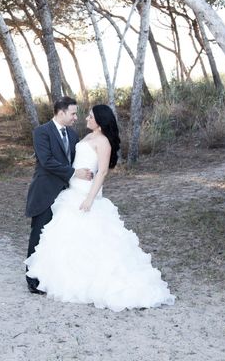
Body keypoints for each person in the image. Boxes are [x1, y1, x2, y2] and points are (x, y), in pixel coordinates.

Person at [25, 104, 175, 311]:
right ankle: (65, 278)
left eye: (90, 116)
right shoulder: (84, 137)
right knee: (67, 238)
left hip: (86, 193)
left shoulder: (103, 141)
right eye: (81, 114)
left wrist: (90, 198)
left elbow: (102, 172)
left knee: (94, 239)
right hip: (71, 191)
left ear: (99, 120)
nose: (85, 118)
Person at [25, 96, 93, 294]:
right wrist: (74, 173)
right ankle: (32, 280)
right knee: (39, 235)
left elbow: (75, 160)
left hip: (67, 194)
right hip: (45, 192)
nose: (75, 118)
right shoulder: (41, 132)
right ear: (61, 112)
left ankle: (52, 277)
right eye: (72, 113)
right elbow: (46, 161)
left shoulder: (72, 136)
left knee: (57, 237)